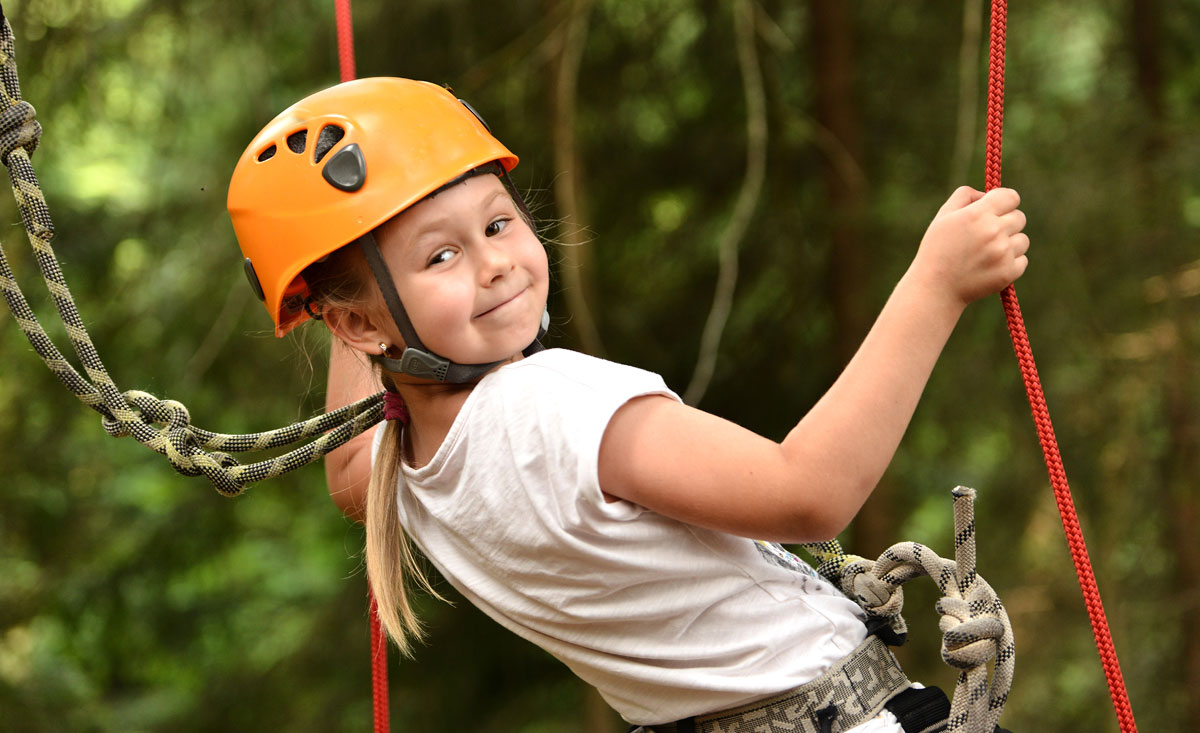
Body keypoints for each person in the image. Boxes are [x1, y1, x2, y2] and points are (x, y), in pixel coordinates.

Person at [227, 77, 1028, 732]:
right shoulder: (550, 403)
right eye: (442, 254)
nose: (496, 265)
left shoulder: (414, 465)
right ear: (362, 321)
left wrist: (341, 291)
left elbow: (344, 473)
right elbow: (807, 491)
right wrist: (938, 282)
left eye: (499, 223)